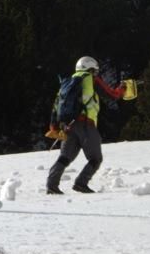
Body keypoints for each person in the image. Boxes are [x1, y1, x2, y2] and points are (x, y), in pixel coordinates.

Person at [46, 56, 125, 194]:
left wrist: (54, 126)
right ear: (90, 68)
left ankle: (51, 185)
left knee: (65, 157)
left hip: (68, 125)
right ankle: (81, 183)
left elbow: (56, 106)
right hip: (85, 124)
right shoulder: (90, 79)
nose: (96, 73)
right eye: (95, 70)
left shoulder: (66, 82)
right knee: (95, 158)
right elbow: (111, 95)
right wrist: (122, 89)